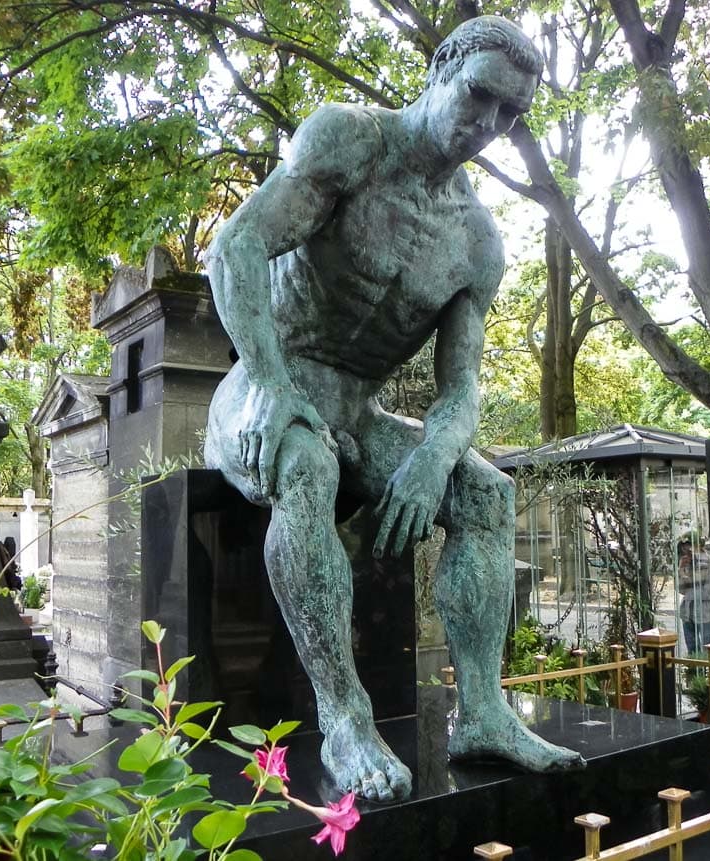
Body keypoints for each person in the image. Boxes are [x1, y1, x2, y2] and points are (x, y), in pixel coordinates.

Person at [204, 16, 583, 803]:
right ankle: (344, 716)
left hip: (361, 411)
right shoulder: (350, 142)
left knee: (486, 494)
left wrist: (432, 461)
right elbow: (235, 246)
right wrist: (272, 385)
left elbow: (461, 388)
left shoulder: (476, 240)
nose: (488, 125)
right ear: (440, 66)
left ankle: (481, 710)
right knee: (305, 464)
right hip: (267, 387)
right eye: (479, 95)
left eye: (510, 115)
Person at [678, 534, 710, 654]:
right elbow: (681, 589)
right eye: (684, 548)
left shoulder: (706, 561)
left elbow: (702, 586)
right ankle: (692, 671)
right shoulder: (688, 562)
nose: (687, 551)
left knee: (707, 649)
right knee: (692, 649)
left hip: (704, 611)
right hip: (688, 611)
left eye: (689, 547)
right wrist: (681, 569)